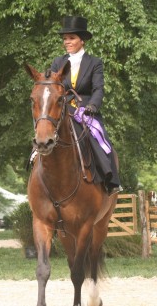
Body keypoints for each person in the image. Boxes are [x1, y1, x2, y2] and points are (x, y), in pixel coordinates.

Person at [50, 15, 121, 195]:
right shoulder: (58, 62)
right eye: (65, 38)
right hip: (63, 109)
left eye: (71, 38)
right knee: (44, 133)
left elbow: (98, 89)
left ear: (82, 40)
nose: (67, 42)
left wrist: (92, 107)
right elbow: (52, 88)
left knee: (99, 138)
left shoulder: (94, 63)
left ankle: (110, 179)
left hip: (85, 111)